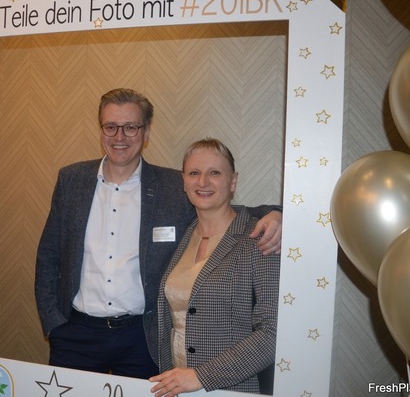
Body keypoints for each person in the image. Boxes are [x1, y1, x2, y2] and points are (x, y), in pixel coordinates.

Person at [35, 88, 282, 379]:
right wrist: (54, 323)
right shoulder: (71, 179)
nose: (119, 136)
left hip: (143, 339)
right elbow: (48, 254)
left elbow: (221, 206)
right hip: (76, 334)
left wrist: (277, 213)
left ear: (146, 132)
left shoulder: (172, 186)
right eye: (110, 126)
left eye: (131, 127)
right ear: (101, 130)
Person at [149, 138, 280, 396]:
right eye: (194, 173)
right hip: (175, 386)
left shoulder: (260, 238)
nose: (203, 182)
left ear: (233, 181)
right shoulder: (183, 235)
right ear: (184, 181)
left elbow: (273, 333)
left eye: (215, 173)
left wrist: (201, 376)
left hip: (233, 388)